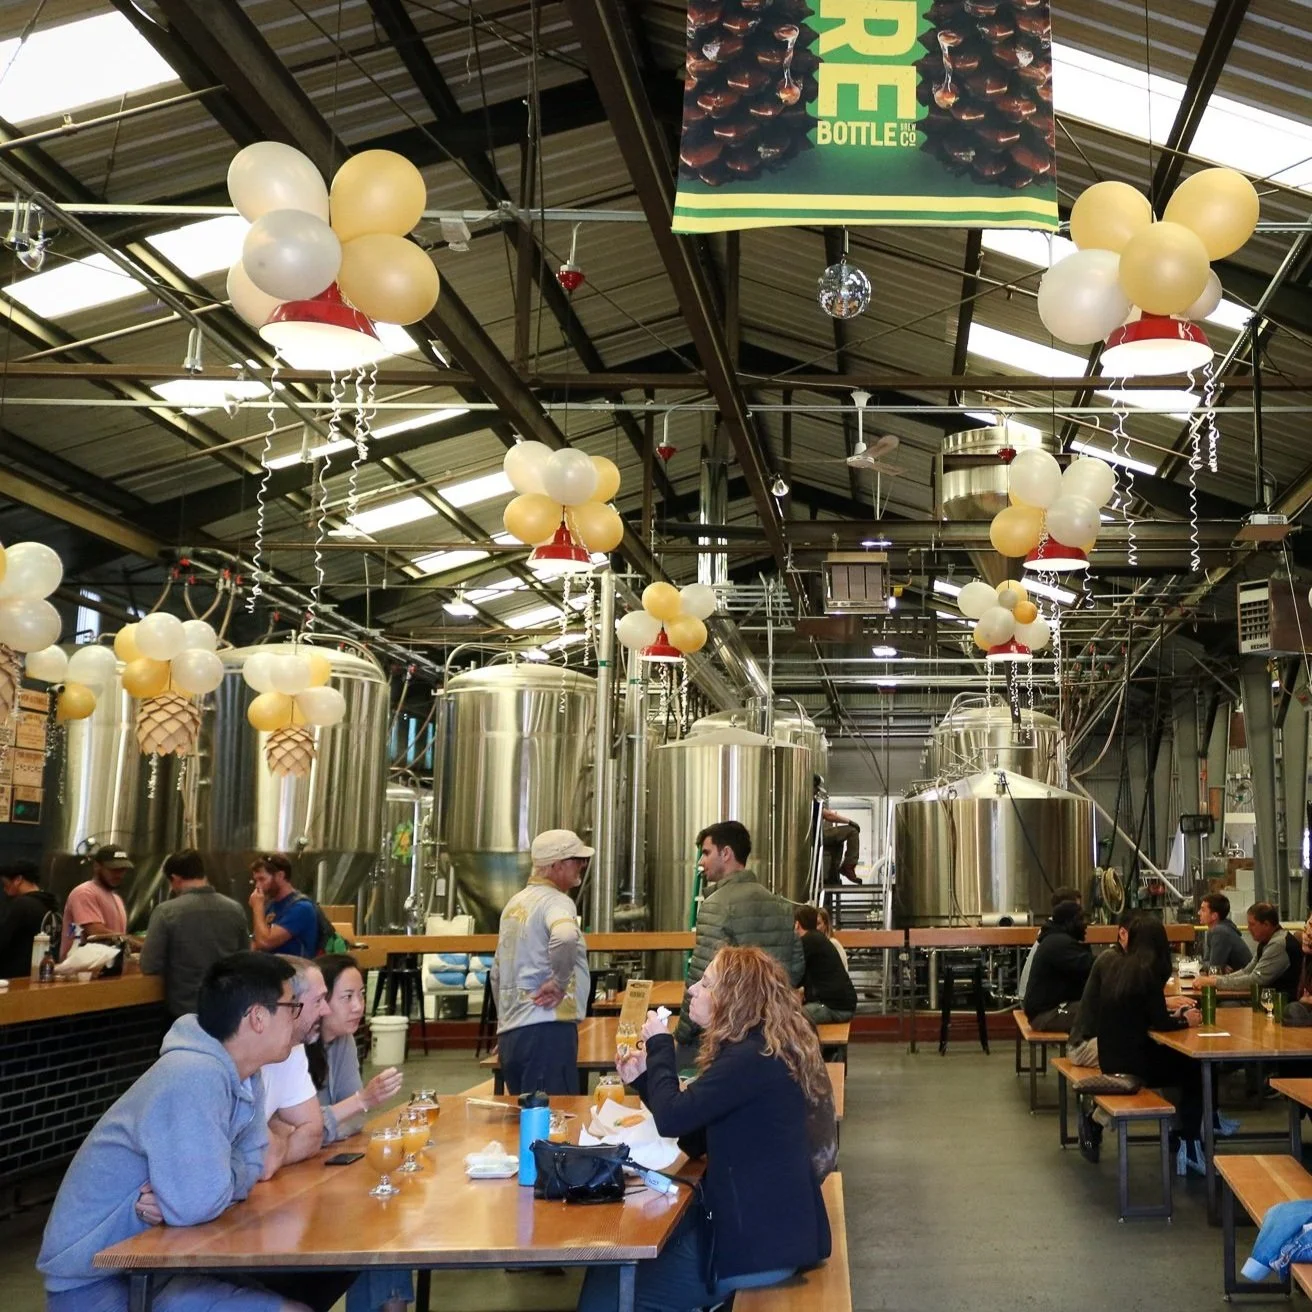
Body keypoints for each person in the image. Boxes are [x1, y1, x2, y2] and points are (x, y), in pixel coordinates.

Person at [37, 951, 320, 1312]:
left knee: (292, 1297)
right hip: (96, 1276)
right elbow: (199, 1202)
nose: (297, 1018)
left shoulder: (246, 1074)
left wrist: (202, 1188)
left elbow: (253, 1163)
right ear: (258, 1017)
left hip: (158, 1258)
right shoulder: (193, 1073)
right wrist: (193, 1196)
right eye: (291, 1006)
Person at [579, 946, 833, 1312]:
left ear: (733, 997)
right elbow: (694, 1133)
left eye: (706, 983)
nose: (693, 990)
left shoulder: (750, 1058)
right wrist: (646, 1079)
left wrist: (660, 1046)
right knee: (609, 1269)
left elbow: (672, 1120)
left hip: (758, 1247)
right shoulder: (755, 1049)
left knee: (603, 1296)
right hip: (767, 1230)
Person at [675, 821, 804, 1054]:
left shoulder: (716, 906)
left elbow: (701, 976)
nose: (701, 862)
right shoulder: (783, 907)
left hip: (731, 1031)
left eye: (706, 853)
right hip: (774, 1032)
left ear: (726, 853)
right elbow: (794, 969)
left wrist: (682, 1034)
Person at [1095, 917, 1205, 1175]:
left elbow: (1145, 1016)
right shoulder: (1148, 970)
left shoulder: (1119, 966)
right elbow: (1161, 1024)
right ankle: (1189, 1143)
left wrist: (1174, 1019)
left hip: (1110, 1056)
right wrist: (1186, 1021)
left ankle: (1182, 1134)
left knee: (1178, 1064)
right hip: (1135, 1064)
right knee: (1195, 1069)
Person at [491, 828, 591, 1095]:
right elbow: (565, 936)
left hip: (514, 1033)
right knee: (555, 1120)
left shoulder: (514, 904)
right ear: (556, 865)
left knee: (526, 1121)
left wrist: (505, 1024)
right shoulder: (556, 901)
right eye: (576, 859)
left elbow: (497, 972)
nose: (582, 864)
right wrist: (559, 982)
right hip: (547, 1031)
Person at [140, 850, 250, 1017]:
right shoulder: (235, 909)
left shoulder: (166, 911)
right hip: (227, 1007)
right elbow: (245, 958)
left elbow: (149, 965)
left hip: (185, 1010)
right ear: (202, 874)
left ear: (175, 879)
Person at [307, 954, 403, 1143]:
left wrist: (325, 1130)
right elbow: (298, 1132)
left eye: (361, 994)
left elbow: (356, 1119)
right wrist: (362, 1100)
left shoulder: (344, 1040)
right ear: (321, 1001)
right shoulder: (292, 1049)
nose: (358, 1006)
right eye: (347, 997)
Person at [260, 956, 332, 1173]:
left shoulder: (292, 1048)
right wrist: (280, 1133)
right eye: (318, 1001)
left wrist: (273, 1150)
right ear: (290, 1005)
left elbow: (313, 1132)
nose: (326, 1010)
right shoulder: (232, 1059)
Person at [1197, 902, 1301, 998]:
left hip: (1280, 1005)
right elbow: (1247, 970)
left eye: (1252, 924)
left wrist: (1215, 982)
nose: (1248, 928)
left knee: (1224, 1006)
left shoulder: (1278, 943)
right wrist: (1216, 979)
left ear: (1266, 925)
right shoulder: (1266, 941)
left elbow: (1256, 980)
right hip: (1264, 997)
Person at [1022, 898, 1093, 1032]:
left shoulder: (1055, 939)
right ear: (1069, 922)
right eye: (1080, 919)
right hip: (1046, 1016)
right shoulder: (1060, 944)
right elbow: (1091, 968)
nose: (1085, 924)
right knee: (1104, 1012)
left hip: (1044, 1012)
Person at [60, 846, 140, 959]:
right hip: (81, 970)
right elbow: (95, 932)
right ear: (97, 866)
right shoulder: (84, 892)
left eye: (123, 870)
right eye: (113, 869)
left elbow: (118, 940)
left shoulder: (116, 898)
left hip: (108, 967)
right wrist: (133, 941)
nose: (119, 874)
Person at [794, 904, 857, 1024]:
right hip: (841, 1004)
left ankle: (813, 1043)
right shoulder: (817, 939)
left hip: (834, 1007)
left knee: (791, 1020)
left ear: (797, 924)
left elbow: (793, 974)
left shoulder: (809, 941)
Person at [1017, 885, 1083, 1000]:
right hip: (1035, 1003)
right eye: (1077, 908)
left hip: (1029, 997)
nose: (1080, 914)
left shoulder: (1050, 929)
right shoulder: (1056, 935)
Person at [249, 853, 319, 958]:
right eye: (256, 880)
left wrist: (257, 907)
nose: (257, 886)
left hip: (296, 970)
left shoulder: (301, 908)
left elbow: (265, 942)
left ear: (280, 876)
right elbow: (257, 942)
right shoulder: (271, 906)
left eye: (262, 879)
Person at [0, 859, 60, 978]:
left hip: (16, 977)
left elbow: (2, 939)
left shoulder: (21, 904)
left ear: (18, 880)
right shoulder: (53, 905)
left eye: (6, 884)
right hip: (46, 973)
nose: (4, 890)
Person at [1198, 891, 1253, 974]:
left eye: (1203, 910)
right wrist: (1221, 967)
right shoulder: (1213, 930)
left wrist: (1218, 967)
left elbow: (1214, 970)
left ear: (1214, 916)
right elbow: (1206, 963)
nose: (1199, 913)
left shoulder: (1220, 932)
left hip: (1242, 983)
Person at [1281, 912, 1312, 1026]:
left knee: (1294, 1011)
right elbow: (1301, 996)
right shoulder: (1306, 958)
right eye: (1306, 929)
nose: (1307, 934)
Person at [820, 808, 860, 885]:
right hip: (818, 835)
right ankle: (848, 866)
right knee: (852, 831)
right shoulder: (814, 804)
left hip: (816, 836)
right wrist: (850, 822)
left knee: (838, 842)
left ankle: (833, 876)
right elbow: (829, 815)